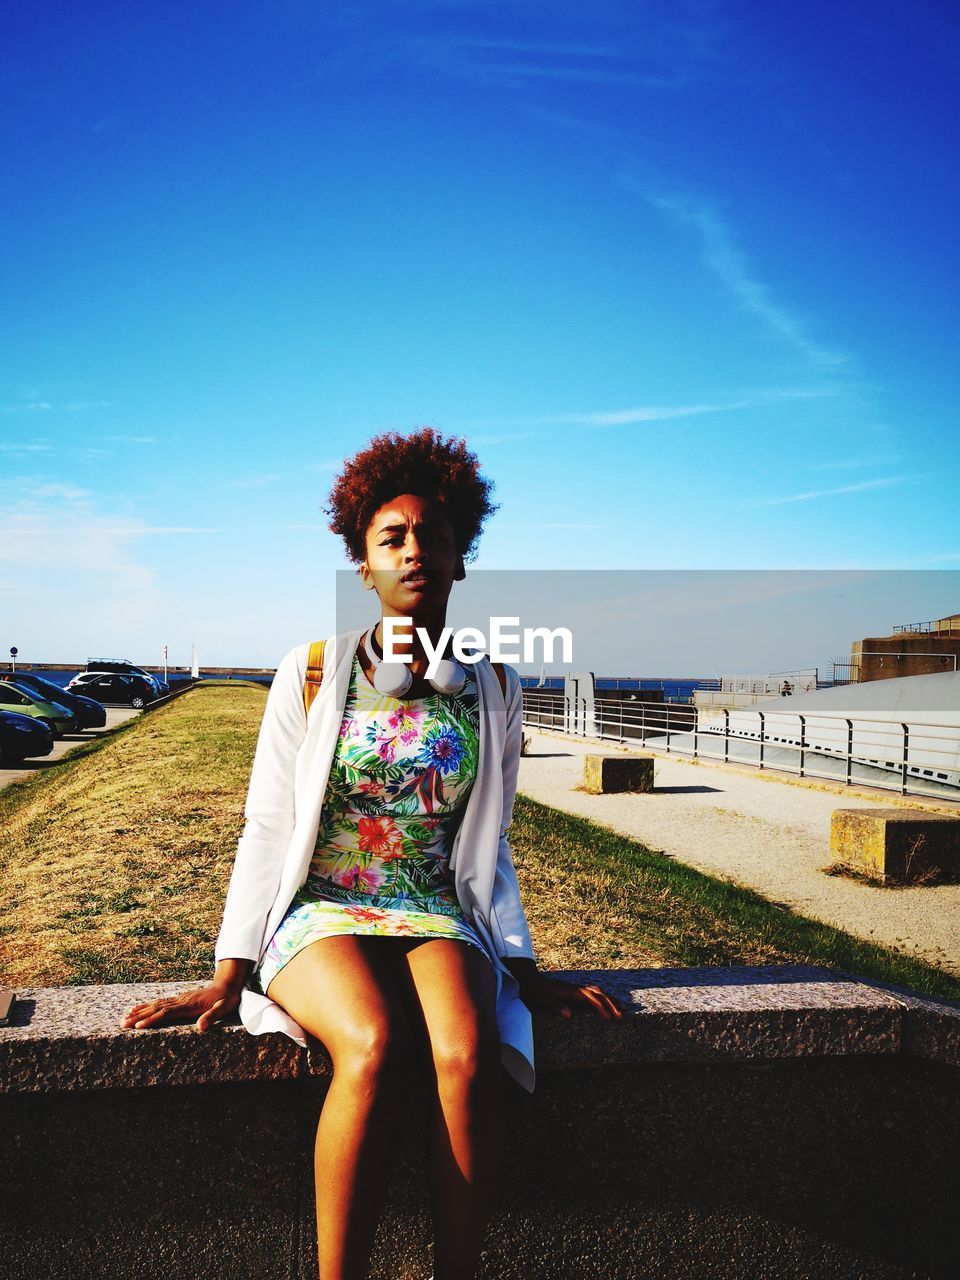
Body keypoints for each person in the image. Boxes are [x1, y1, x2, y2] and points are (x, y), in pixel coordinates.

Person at [119, 427, 625, 1280]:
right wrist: (227, 968)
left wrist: (523, 963)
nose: (414, 550)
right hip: (322, 908)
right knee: (375, 1044)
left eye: (434, 535)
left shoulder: (497, 686)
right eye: (392, 538)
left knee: (466, 1061)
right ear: (363, 564)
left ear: (462, 556)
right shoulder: (313, 671)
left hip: (433, 906)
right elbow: (269, 823)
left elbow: (488, 843)